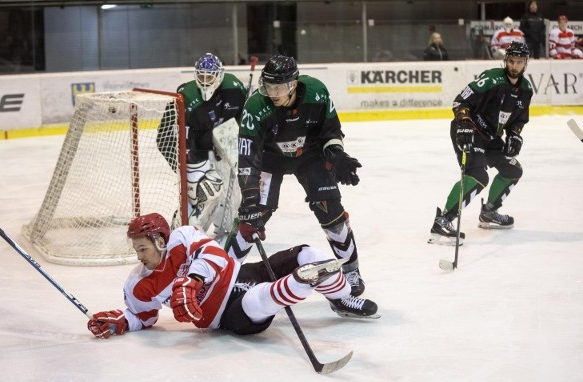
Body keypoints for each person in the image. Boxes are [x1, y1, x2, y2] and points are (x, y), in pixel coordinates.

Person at [86, 212, 378, 339]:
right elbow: (144, 316)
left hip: (244, 273)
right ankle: (299, 283)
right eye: (136, 250)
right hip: (226, 316)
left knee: (308, 253)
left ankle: (340, 300)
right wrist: (121, 322)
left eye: (142, 248)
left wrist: (193, 280)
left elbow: (216, 255)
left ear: (160, 241)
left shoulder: (182, 237)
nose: (139, 256)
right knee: (256, 302)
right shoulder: (138, 284)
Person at [226, 54, 371, 303]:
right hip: (270, 160)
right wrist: (250, 197)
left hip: (309, 156)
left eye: (278, 87)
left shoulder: (317, 93)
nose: (272, 92)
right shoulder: (255, 107)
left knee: (331, 211)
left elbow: (331, 131)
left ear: (293, 84)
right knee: (252, 218)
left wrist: (337, 154)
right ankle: (220, 276)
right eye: (268, 86)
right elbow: (248, 157)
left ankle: (351, 271)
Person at [428, 41, 533, 245]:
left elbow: (518, 120)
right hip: (469, 130)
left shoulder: (526, 90)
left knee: (513, 170)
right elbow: (460, 101)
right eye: (511, 61)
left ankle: (489, 212)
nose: (514, 66)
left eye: (519, 62)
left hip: (491, 137)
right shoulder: (493, 79)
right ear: (506, 60)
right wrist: (465, 122)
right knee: (477, 175)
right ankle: (443, 221)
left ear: (525, 63)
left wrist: (515, 135)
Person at [158, 53, 247, 227]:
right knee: (199, 194)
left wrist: (234, 146)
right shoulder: (185, 98)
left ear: (219, 76)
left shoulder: (235, 89)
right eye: (201, 76)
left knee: (228, 190)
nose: (205, 81)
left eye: (210, 76)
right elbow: (164, 138)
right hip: (195, 147)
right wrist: (181, 165)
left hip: (221, 139)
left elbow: (242, 120)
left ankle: (223, 225)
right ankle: (181, 228)